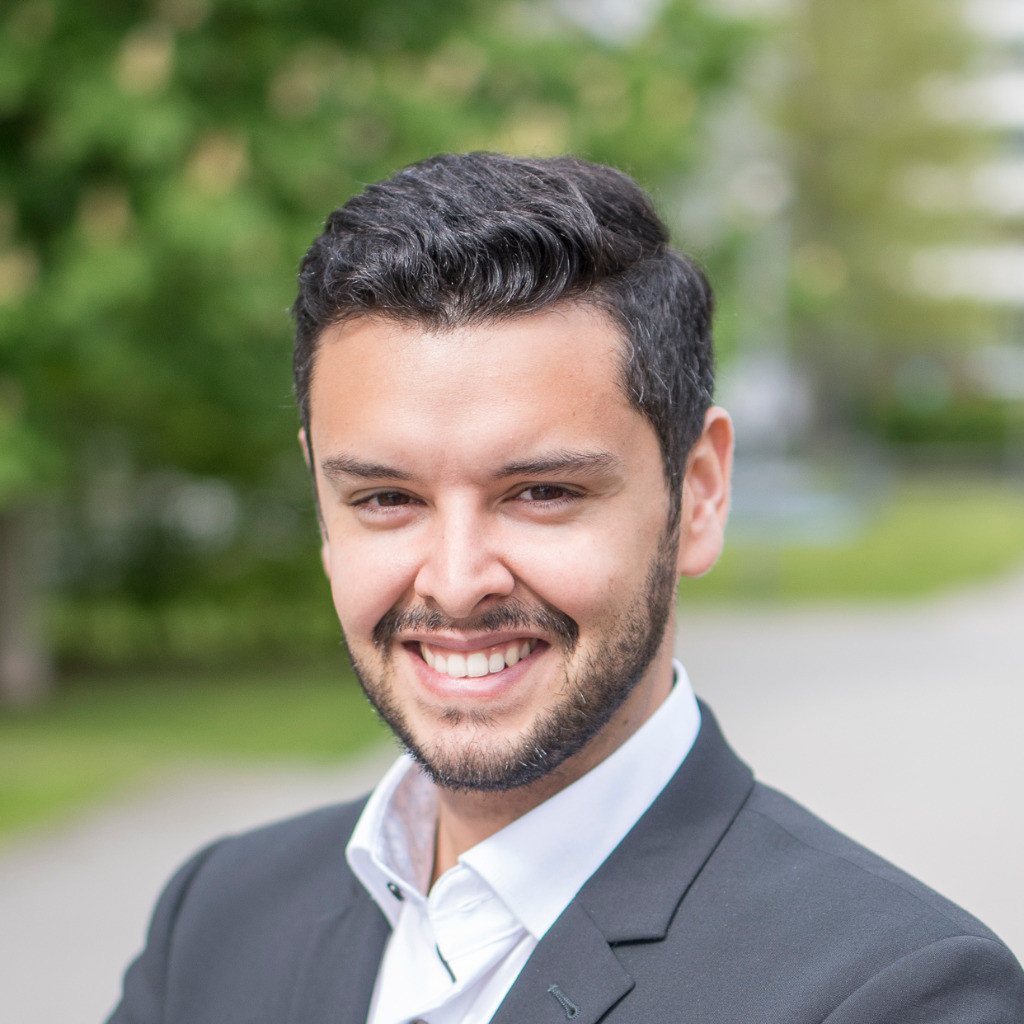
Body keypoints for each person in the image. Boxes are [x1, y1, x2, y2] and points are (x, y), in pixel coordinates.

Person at [108, 153, 1024, 1024]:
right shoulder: (215, 917)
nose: (456, 583)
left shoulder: (895, 995)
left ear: (700, 493)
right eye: (386, 498)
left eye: (541, 492)